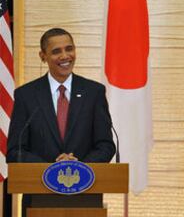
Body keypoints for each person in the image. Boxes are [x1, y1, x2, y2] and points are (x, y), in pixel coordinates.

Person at [6, 28, 116, 215]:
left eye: (69, 49)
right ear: (43, 56)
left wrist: (78, 168)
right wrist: (52, 168)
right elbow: (15, 150)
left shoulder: (94, 92)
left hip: (86, 197)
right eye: (56, 51)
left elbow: (106, 145)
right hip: (38, 199)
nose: (65, 56)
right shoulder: (26, 95)